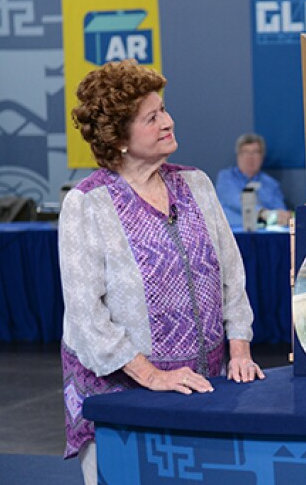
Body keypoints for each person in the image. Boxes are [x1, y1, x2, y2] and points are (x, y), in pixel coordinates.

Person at [61, 59, 265, 485]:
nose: (168, 122)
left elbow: (232, 274)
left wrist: (240, 348)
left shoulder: (197, 184)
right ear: (118, 137)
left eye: (164, 110)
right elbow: (86, 318)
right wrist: (152, 376)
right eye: (152, 117)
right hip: (123, 399)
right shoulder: (87, 204)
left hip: (202, 389)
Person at [215, 133, 291, 231]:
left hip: (265, 236)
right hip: (233, 235)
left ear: (262, 157)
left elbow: (281, 214)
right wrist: (264, 214)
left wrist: (279, 216)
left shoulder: (271, 184)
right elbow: (237, 202)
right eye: (245, 152)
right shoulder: (226, 178)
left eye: (255, 152)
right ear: (238, 156)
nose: (250, 157)